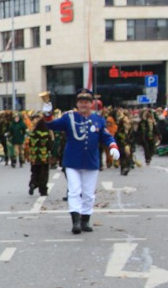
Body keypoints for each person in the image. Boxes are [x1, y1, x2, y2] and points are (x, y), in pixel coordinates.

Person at [45, 90, 120, 234]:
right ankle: (76, 222)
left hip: (91, 162)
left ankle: (85, 220)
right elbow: (51, 125)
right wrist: (47, 114)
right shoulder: (69, 118)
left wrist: (113, 146)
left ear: (91, 104)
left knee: (88, 193)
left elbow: (106, 135)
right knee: (74, 190)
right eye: (80, 102)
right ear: (77, 104)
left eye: (86, 102)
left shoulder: (98, 120)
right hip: (72, 161)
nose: (83, 105)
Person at [27, 117, 54, 196]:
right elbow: (50, 146)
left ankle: (33, 183)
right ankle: (43, 190)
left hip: (34, 157)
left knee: (34, 172)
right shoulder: (46, 134)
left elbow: (29, 144)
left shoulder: (33, 133)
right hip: (44, 157)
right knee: (43, 174)